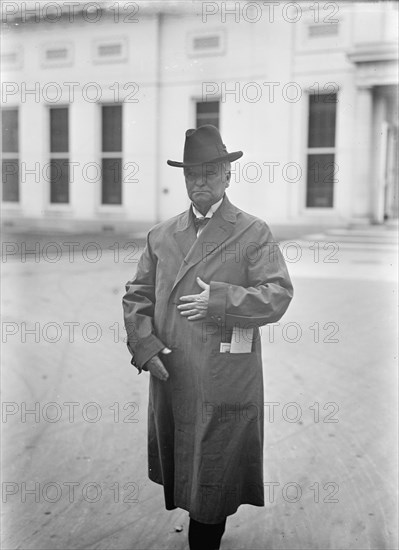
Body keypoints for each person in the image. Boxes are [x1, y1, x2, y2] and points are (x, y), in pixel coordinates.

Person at [122, 125, 293, 550]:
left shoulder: (252, 232)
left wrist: (220, 300)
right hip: (172, 366)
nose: (201, 182)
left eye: (211, 173)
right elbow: (137, 294)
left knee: (214, 466)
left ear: (228, 177)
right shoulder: (161, 235)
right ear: (184, 179)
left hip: (224, 373)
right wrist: (144, 346)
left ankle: (206, 536)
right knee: (184, 457)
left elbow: (277, 294)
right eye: (192, 174)